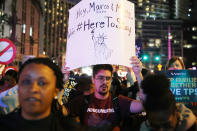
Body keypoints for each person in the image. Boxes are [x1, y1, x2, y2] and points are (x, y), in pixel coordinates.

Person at [0, 57, 80, 131]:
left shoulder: (67, 127)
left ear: (56, 91)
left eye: (42, 83)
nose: (33, 89)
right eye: (26, 82)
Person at [65, 56, 143, 130]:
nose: (105, 82)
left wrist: (138, 75)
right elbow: (59, 112)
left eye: (108, 78)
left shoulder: (118, 101)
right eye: (100, 78)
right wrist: (64, 82)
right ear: (93, 79)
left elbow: (144, 105)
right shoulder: (82, 101)